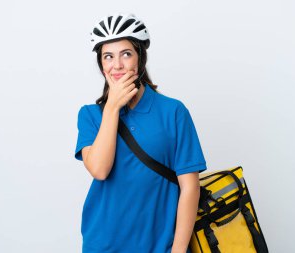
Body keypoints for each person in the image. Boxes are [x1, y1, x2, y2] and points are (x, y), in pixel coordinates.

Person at [74, 13, 207, 253]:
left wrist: (178, 249)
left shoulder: (173, 111)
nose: (117, 65)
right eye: (108, 57)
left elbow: (190, 187)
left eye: (126, 54)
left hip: (161, 246)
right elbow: (100, 169)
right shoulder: (90, 115)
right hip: (103, 245)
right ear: (101, 65)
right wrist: (112, 107)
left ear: (140, 58)